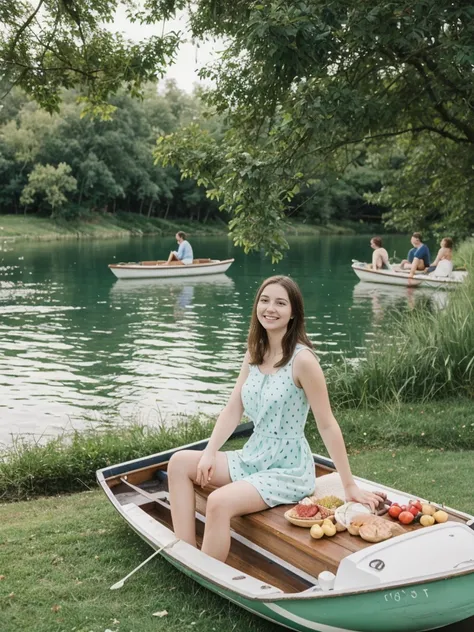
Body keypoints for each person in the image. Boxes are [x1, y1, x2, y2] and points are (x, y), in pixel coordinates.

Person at [168, 275, 385, 562]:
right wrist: (209, 453)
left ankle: (205, 573)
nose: (270, 308)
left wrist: (349, 485)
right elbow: (233, 408)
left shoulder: (303, 361)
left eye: (280, 303)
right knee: (179, 463)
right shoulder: (254, 353)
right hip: (253, 455)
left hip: (288, 467)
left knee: (219, 502)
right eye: (265, 300)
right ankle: (185, 554)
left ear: (293, 312)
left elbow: (327, 424)